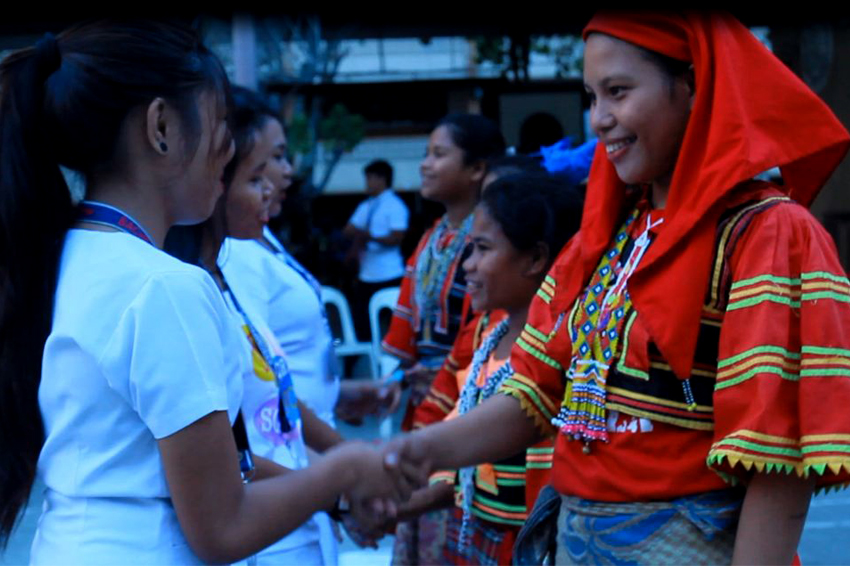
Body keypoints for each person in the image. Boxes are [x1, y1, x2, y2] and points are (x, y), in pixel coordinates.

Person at [385, 11, 850, 566]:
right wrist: (410, 452)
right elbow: (531, 396)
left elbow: (776, 466)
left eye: (619, 92)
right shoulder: (605, 238)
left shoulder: (766, 233)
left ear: (694, 86)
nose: (600, 119)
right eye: (591, 96)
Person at [0, 21, 419, 565]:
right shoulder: (165, 286)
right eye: (222, 125)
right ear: (161, 127)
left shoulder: (70, 255)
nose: (228, 154)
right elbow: (221, 529)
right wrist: (342, 470)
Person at [398, 173, 582, 565]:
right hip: (478, 536)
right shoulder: (486, 336)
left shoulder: (564, 347)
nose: (468, 266)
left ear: (535, 258)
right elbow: (452, 422)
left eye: (482, 249)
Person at [381, 114, 505, 565]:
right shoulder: (434, 237)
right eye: (427, 154)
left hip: (474, 394)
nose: (425, 165)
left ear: (476, 169)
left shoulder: (489, 239)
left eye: (439, 154)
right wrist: (400, 376)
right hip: (426, 395)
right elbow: (410, 321)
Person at [344, 159, 410, 342]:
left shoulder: (395, 205)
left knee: (394, 321)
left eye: (370, 178)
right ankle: (366, 353)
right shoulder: (366, 206)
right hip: (367, 273)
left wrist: (370, 237)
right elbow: (348, 230)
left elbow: (397, 238)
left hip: (389, 273)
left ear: (382, 179)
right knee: (362, 321)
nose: (367, 183)